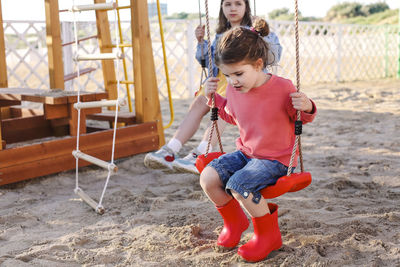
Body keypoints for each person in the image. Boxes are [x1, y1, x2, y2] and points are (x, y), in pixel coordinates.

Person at [199, 18, 317, 262]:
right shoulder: (233, 89)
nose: (233, 81)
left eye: (239, 73)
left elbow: (301, 117)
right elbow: (233, 117)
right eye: (227, 75)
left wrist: (306, 106)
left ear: (259, 64)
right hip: (247, 154)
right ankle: (235, 222)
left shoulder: (282, 88)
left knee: (238, 184)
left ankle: (268, 234)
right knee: (208, 177)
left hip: (276, 159)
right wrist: (214, 100)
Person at [144, 0, 282, 174]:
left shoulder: (253, 32)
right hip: (218, 79)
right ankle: (170, 150)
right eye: (227, 4)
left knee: (223, 108)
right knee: (198, 104)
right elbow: (207, 62)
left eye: (238, 4)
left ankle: (201, 152)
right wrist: (201, 42)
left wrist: (263, 34)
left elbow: (273, 56)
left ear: (246, 7)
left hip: (242, 82)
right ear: (222, 8)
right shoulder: (220, 35)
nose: (232, 8)